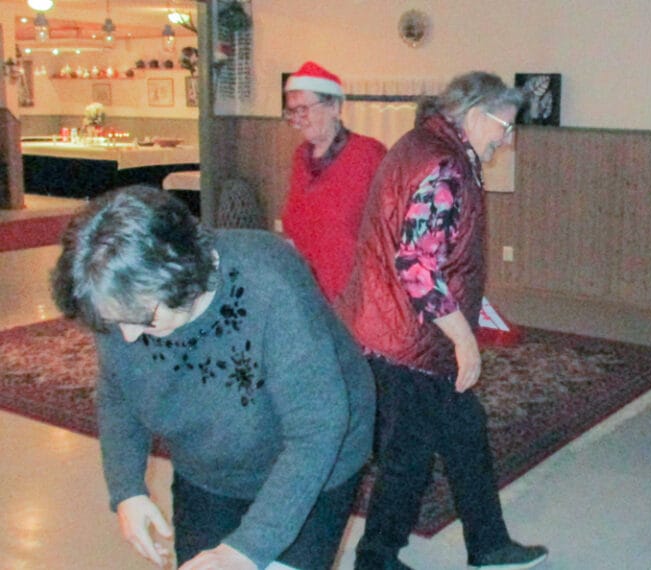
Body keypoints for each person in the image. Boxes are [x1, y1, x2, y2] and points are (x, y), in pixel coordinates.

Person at [51, 186, 376, 570]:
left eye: (143, 319)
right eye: (112, 323)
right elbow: (118, 391)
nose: (128, 337)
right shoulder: (122, 301)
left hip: (315, 460)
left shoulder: (269, 281)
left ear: (181, 277)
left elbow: (317, 429)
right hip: (210, 468)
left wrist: (246, 549)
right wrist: (127, 490)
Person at [335, 72, 548, 570]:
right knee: (408, 457)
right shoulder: (444, 165)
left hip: (397, 326)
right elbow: (416, 267)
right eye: (504, 127)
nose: (507, 139)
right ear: (474, 115)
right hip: (408, 339)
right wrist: (464, 340)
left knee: (464, 431)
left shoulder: (422, 144)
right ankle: (376, 559)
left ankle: (488, 544)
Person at [282, 61, 387, 302]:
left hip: (356, 298)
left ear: (334, 107)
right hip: (307, 294)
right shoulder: (300, 157)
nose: (298, 120)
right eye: (292, 112)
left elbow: (391, 228)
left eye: (304, 109)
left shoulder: (369, 154)